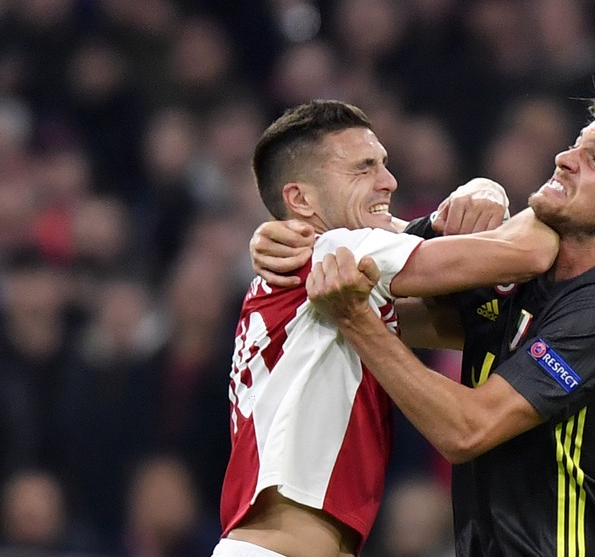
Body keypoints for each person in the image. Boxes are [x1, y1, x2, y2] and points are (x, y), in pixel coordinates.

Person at [252, 72, 595, 556]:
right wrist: (300, 242)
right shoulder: (529, 266)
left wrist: (355, 319)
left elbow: (466, 429)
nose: (564, 159)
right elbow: (383, 257)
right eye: (576, 146)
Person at [212, 99, 560, 557]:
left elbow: (474, 325)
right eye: (363, 169)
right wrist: (544, 193)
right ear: (300, 199)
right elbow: (527, 252)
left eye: (384, 163)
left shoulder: (312, 281)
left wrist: (479, 198)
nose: (389, 181)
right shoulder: (335, 252)